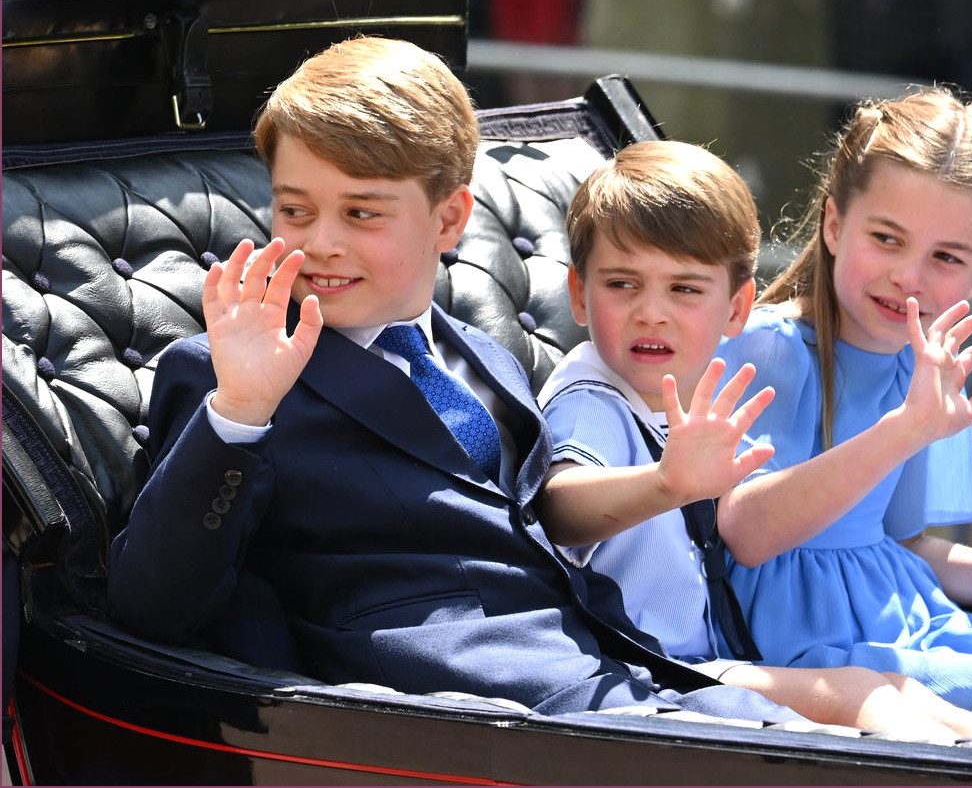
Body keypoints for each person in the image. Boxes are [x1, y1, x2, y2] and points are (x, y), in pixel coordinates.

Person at [105, 35, 805, 724]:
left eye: (361, 212)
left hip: (609, 665)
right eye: (295, 210)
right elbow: (152, 606)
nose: (320, 241)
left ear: (450, 219)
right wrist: (240, 411)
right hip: (455, 704)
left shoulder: (485, 356)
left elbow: (537, 530)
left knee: (853, 737)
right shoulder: (227, 374)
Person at [534, 139, 972, 752]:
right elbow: (558, 505)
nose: (652, 312)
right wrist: (666, 483)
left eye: (683, 290)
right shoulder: (596, 394)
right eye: (624, 285)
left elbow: (906, 545)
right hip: (659, 669)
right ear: (579, 294)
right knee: (866, 693)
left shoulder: (679, 390)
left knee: (901, 692)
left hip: (718, 653)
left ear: (733, 307)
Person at [710, 86, 972, 740]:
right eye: (886, 238)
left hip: (919, 627)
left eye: (946, 258)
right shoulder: (761, 350)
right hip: (822, 656)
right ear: (835, 225)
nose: (909, 276)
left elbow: (909, 550)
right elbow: (747, 534)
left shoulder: (928, 365)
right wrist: (905, 429)